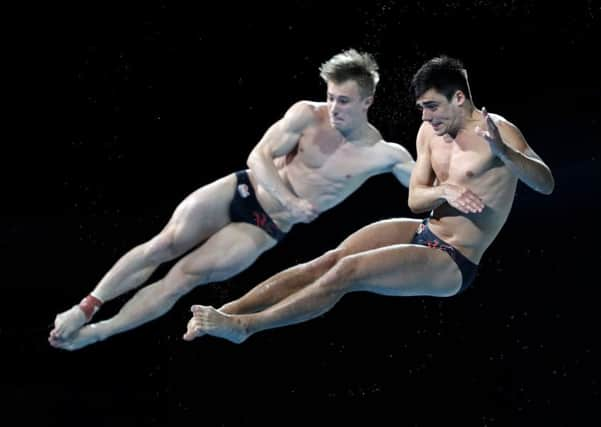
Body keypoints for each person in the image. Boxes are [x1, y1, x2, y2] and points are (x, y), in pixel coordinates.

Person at [49, 49, 415, 350]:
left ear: (368, 101)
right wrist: (288, 199)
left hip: (263, 228)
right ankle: (86, 307)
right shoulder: (306, 114)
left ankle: (99, 333)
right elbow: (258, 156)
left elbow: (425, 187)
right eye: (331, 97)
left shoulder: (385, 154)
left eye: (345, 101)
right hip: (242, 188)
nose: (334, 108)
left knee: (181, 279)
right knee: (163, 244)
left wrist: (461, 168)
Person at [183, 55, 555, 344]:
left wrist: (507, 155)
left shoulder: (500, 131)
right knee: (327, 261)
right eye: (421, 107)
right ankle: (224, 313)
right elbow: (416, 199)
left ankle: (244, 327)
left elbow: (545, 184)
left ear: (459, 97)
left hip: (454, 261)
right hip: (426, 229)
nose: (425, 116)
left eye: (432, 106)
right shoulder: (429, 134)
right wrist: (443, 190)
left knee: (347, 273)